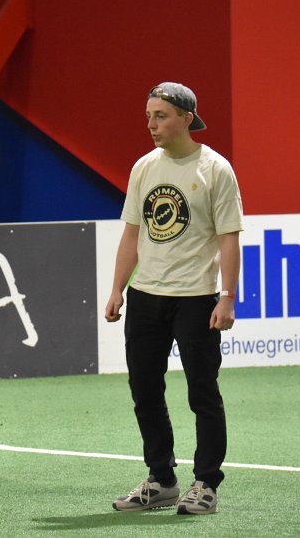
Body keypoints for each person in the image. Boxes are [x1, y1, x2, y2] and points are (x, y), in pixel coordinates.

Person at [104, 83, 243, 515]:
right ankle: (161, 480)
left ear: (186, 118)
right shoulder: (144, 167)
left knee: (202, 393)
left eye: (160, 116)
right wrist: (117, 288)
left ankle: (206, 484)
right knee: (145, 391)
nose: (151, 125)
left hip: (197, 298)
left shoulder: (216, 169)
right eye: (149, 116)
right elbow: (132, 233)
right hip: (146, 297)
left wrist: (227, 297)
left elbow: (229, 238)